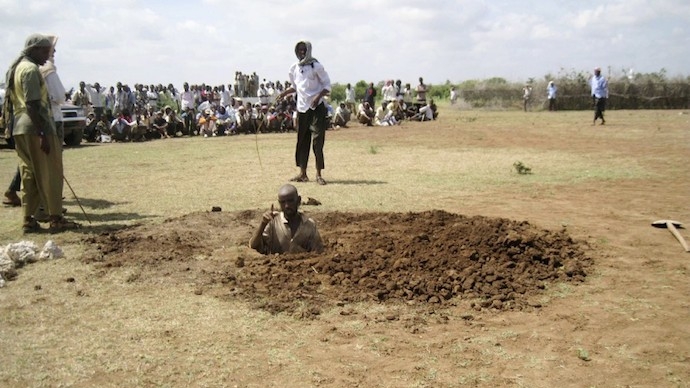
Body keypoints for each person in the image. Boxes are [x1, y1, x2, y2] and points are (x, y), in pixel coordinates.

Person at [4, 33, 78, 233]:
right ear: (33, 49)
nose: (48, 55)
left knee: (29, 174)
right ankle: (56, 218)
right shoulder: (29, 70)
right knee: (50, 173)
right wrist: (42, 133)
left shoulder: (17, 68)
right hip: (36, 128)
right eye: (45, 51)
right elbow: (32, 103)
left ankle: (28, 219)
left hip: (20, 128)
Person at [276, 41, 331, 186]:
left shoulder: (316, 66)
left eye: (304, 49)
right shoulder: (294, 68)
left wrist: (317, 97)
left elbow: (327, 87)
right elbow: (296, 87)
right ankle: (303, 173)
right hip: (302, 109)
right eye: (299, 50)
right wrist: (284, 93)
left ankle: (319, 174)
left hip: (316, 108)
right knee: (302, 141)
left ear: (309, 50)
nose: (301, 52)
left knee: (317, 141)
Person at [249, 184, 324, 254]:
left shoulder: (309, 225)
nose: (287, 206)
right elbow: (253, 246)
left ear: (298, 200)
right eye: (283, 202)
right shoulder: (273, 223)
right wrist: (263, 223)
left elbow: (318, 252)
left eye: (290, 201)